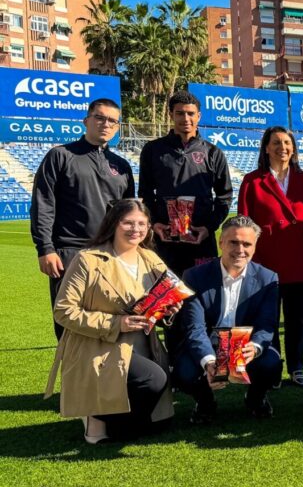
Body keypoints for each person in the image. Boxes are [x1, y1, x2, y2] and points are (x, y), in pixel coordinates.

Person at [44, 199, 176, 444]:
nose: (135, 229)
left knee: (158, 425)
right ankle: (97, 416)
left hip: (143, 344)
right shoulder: (88, 259)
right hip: (99, 344)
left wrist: (168, 309)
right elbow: (63, 310)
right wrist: (117, 324)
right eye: (128, 222)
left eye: (142, 224)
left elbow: (164, 301)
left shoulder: (151, 259)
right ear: (113, 224)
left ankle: (110, 417)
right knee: (152, 380)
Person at [237, 126, 303, 387]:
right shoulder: (252, 180)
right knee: (267, 317)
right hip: (266, 258)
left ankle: (295, 367)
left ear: (293, 148)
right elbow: (243, 221)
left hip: (301, 256)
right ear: (266, 148)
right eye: (277, 143)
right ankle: (273, 366)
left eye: (287, 143)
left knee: (297, 317)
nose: (283, 147)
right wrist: (242, 254)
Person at [31, 98, 135, 340]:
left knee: (109, 325)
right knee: (70, 328)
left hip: (111, 255)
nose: (105, 124)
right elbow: (43, 203)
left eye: (112, 120)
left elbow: (129, 215)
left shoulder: (121, 166)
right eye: (99, 117)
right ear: (86, 120)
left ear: (117, 127)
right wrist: (45, 248)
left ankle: (106, 378)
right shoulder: (60, 156)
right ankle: (73, 377)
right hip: (69, 253)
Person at [173, 216, 282, 423]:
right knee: (184, 371)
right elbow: (194, 328)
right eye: (233, 242)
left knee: (270, 364)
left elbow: (267, 324)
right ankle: (205, 402)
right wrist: (209, 362)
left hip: (246, 343)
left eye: (247, 244)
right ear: (220, 242)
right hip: (210, 342)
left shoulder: (268, 278)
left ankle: (255, 399)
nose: (240, 249)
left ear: (255, 247)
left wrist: (256, 347)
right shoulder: (193, 276)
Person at [138, 90, 232, 277]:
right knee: (163, 297)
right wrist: (155, 223)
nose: (185, 118)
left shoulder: (213, 153)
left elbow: (224, 196)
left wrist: (208, 227)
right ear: (171, 114)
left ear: (199, 116)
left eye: (190, 113)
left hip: (200, 240)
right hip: (164, 241)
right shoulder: (152, 150)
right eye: (180, 113)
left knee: (202, 297)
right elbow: (145, 193)